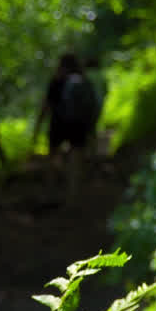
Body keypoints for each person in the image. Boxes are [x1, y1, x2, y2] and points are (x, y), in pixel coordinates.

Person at [33, 53, 101, 200]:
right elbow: (91, 105)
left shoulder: (56, 81)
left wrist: (37, 128)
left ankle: (50, 191)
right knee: (76, 159)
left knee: (53, 157)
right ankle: (73, 194)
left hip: (58, 123)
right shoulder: (83, 81)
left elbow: (46, 106)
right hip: (78, 125)